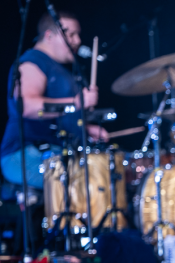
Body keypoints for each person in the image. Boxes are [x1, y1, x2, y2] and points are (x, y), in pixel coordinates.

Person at [1, 11, 108, 190]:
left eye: (77, 34)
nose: (77, 41)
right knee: (87, 185)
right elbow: (26, 106)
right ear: (49, 35)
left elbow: (60, 115)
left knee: (104, 175)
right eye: (71, 34)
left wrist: (86, 128)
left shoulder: (60, 70)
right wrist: (76, 102)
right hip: (25, 154)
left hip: (55, 152)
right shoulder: (33, 61)